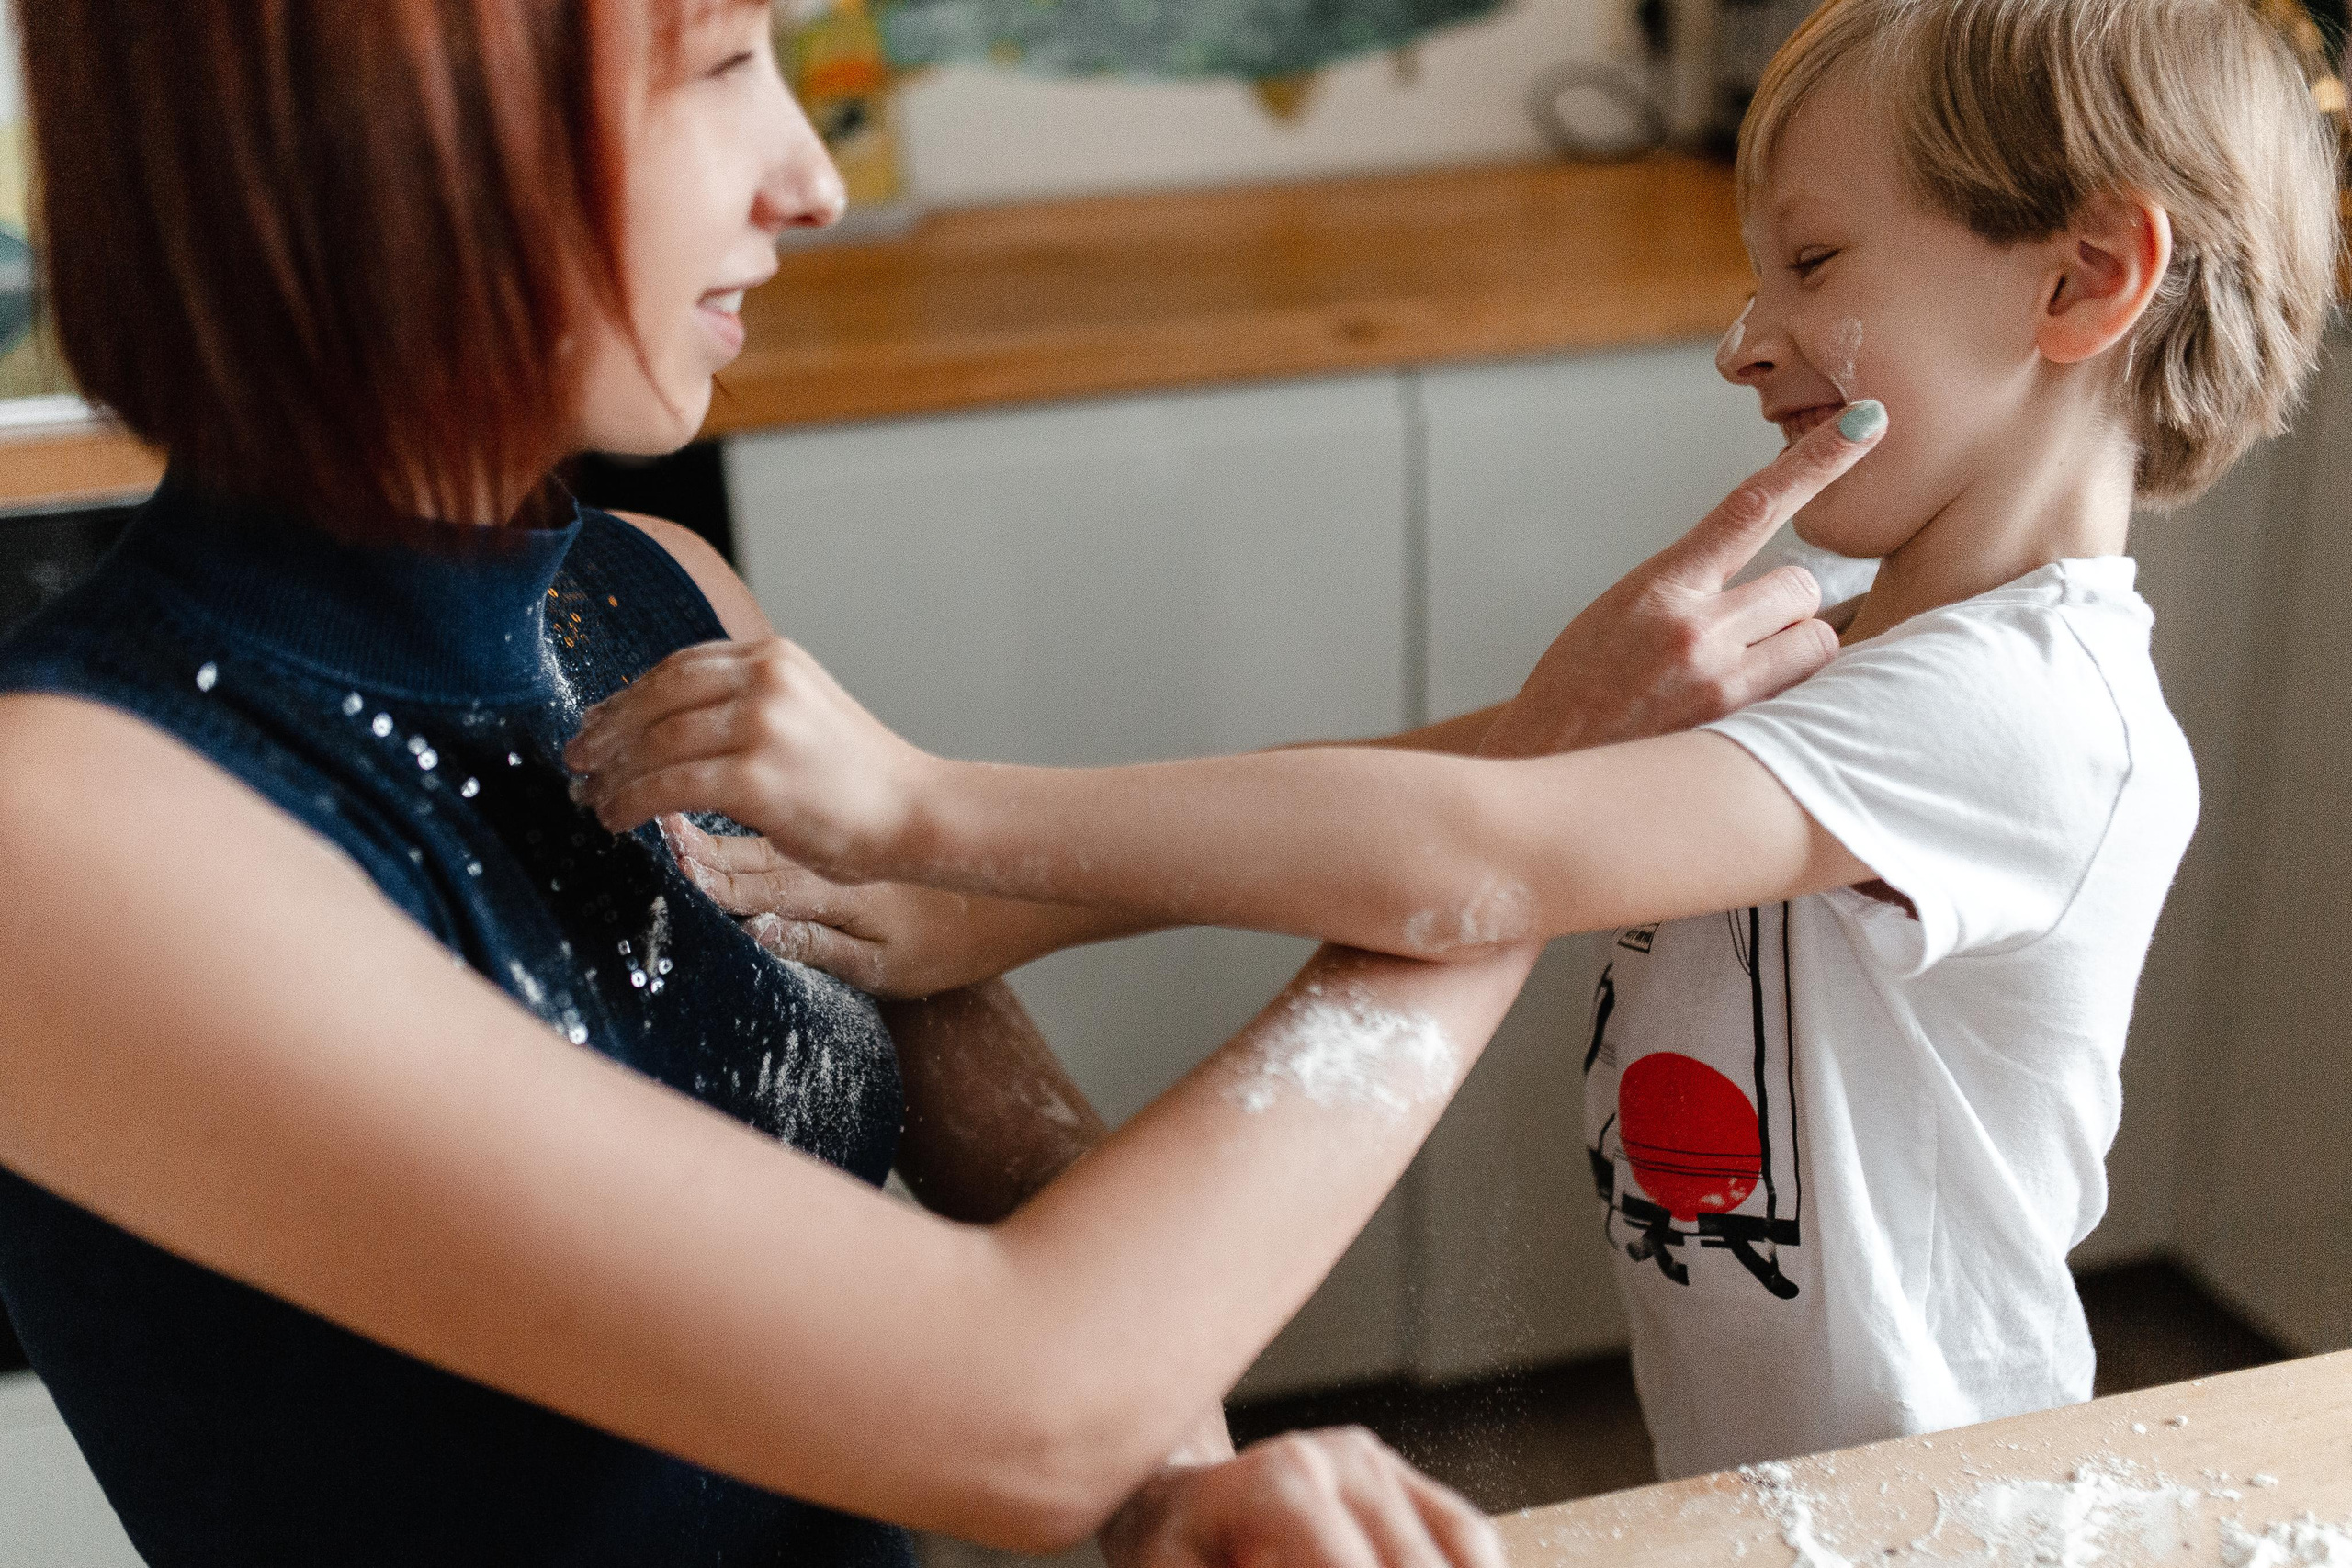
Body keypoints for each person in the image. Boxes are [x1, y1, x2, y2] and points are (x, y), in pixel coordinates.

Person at [0, 2, 1871, 1562]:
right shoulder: (72, 828)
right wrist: (1517, 840)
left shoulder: (653, 602)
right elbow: (1024, 1389)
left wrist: (1172, 1489)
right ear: (409, 124)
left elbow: (1001, 1170)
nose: (805, 177)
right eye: (722, 62)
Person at [567, 0, 2345, 1483]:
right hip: (1764, 1467)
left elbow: (1473, 858)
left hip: (1937, 1499)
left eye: (1810, 261)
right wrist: (999, 912)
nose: (1744, 340)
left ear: (2086, 277)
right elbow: (1470, 773)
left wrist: (931, 806)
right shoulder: (1865, 647)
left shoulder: (2026, 713)